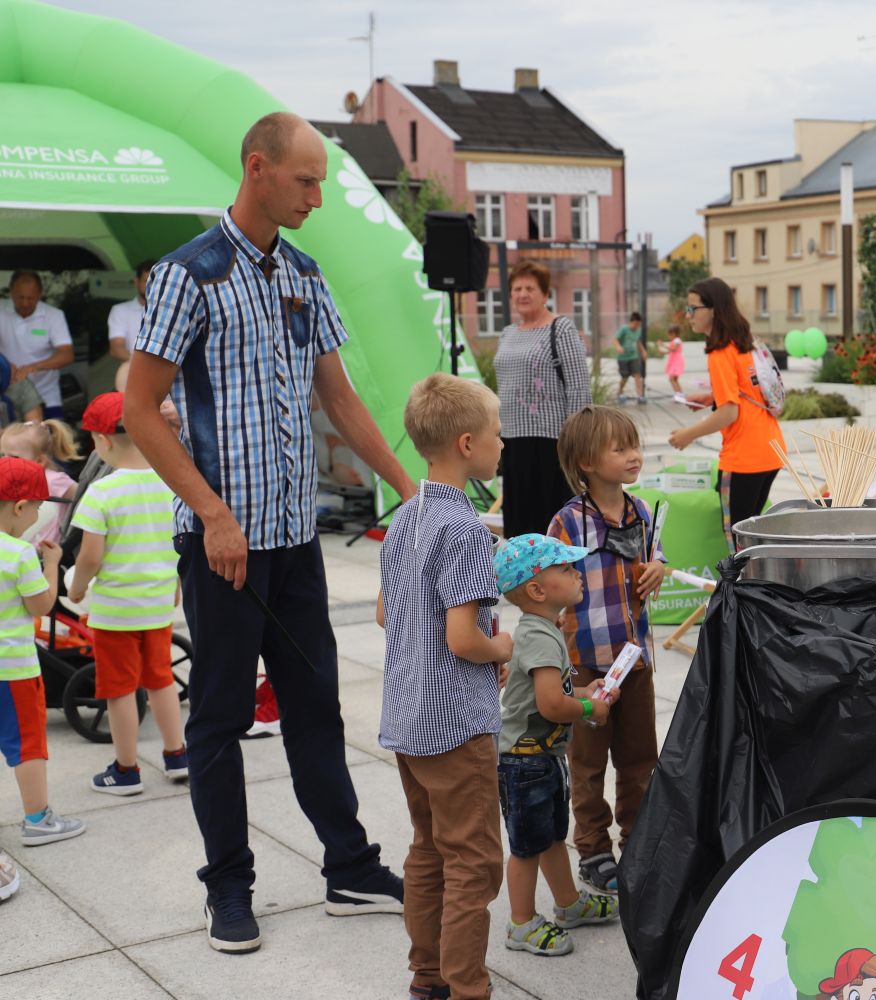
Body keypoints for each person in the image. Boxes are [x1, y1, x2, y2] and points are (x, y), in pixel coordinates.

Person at [124, 111, 419, 954]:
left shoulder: (304, 273)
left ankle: (349, 867)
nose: (317, 196)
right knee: (217, 722)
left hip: (295, 541)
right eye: (305, 179)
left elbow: (339, 396)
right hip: (224, 547)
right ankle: (227, 888)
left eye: (323, 181)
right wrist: (212, 513)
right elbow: (142, 412)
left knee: (315, 709)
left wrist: (408, 487)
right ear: (257, 168)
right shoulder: (189, 275)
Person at [377, 373, 512, 1000]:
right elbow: (464, 638)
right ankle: (467, 988)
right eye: (496, 434)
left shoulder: (406, 516)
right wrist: (503, 646)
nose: (502, 445)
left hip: (409, 715)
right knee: (474, 865)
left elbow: (386, 612)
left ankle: (427, 978)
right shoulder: (465, 531)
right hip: (457, 722)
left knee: (427, 852)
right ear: (466, 443)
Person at [548, 406, 664, 896]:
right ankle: (594, 847)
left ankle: (637, 841)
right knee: (589, 761)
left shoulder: (640, 512)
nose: (633, 456)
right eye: (619, 449)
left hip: (633, 659)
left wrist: (658, 566)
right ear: (586, 463)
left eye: (634, 445)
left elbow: (654, 555)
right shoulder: (568, 522)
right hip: (586, 663)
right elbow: (547, 583)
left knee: (640, 757)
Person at [494, 534, 620, 956]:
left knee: (550, 837)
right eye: (565, 569)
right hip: (524, 762)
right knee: (527, 847)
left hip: (541, 758)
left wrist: (587, 688)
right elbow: (551, 704)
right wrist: (589, 708)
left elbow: (550, 689)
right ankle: (521, 923)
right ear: (537, 589)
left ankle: (567, 904)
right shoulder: (540, 637)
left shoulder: (542, 629)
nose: (576, 573)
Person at [66, 392, 188, 796]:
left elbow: (90, 556)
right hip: (156, 606)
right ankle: (177, 755)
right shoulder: (171, 485)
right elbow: (178, 543)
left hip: (116, 612)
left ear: (101, 443)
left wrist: (78, 587)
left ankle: (126, 769)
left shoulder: (101, 494)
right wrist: (174, 585)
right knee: (161, 681)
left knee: (119, 690)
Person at [0, 458, 85, 848]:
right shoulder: (18, 554)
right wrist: (50, 564)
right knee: (27, 744)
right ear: (19, 508)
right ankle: (38, 819)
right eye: (36, 507)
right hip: (14, 670)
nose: (37, 514)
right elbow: (41, 606)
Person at [667, 277, 785, 549]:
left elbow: (730, 413)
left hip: (744, 457)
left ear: (714, 310)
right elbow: (746, 394)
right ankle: (757, 590)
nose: (688, 316)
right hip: (770, 451)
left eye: (693, 309)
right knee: (754, 539)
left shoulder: (719, 353)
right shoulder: (741, 344)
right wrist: (711, 398)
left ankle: (745, 591)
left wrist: (688, 434)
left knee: (739, 546)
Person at [492, 261, 589, 537]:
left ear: (545, 294)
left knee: (551, 522)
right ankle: (522, 580)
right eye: (517, 288)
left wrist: (576, 441)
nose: (522, 294)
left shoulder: (560, 329)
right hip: (511, 441)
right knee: (518, 522)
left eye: (530, 288)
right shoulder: (507, 333)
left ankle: (555, 579)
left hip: (552, 442)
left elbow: (579, 388)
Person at [0, 271, 74, 419]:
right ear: (11, 290)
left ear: (40, 294)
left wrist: (34, 366)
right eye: (20, 297)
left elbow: (67, 355)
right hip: (6, 394)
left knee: (51, 439)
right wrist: (6, 366)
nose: (25, 303)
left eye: (31, 298)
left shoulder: (54, 315)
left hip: (47, 396)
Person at [0, 420, 80, 546]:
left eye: (14, 457)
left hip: (49, 550)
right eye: (3, 455)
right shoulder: (9, 477)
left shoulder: (53, 481)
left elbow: (84, 496)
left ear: (39, 460)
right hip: (21, 545)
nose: (6, 461)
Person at [109, 260, 155, 391]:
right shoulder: (120, 311)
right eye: (147, 281)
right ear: (136, 281)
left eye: (155, 281)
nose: (151, 285)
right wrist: (143, 365)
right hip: (132, 384)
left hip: (168, 390)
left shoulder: (172, 311)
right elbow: (116, 349)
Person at [614, 312, 645, 405]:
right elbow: (615, 340)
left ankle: (640, 396)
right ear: (632, 322)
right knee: (625, 377)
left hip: (633, 356)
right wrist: (618, 347)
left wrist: (643, 351)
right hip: (623, 358)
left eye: (639, 324)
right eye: (636, 324)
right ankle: (620, 392)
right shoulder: (624, 329)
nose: (637, 326)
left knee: (637, 375)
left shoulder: (638, 330)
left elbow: (638, 341)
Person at [661, 324, 685, 395]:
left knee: (672, 379)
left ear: (674, 334)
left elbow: (674, 349)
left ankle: (679, 394)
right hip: (674, 360)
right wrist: (664, 352)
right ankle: (680, 393)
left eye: (670, 334)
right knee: (674, 379)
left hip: (676, 361)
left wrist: (663, 345)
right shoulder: (675, 341)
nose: (669, 336)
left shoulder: (677, 340)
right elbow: (671, 351)